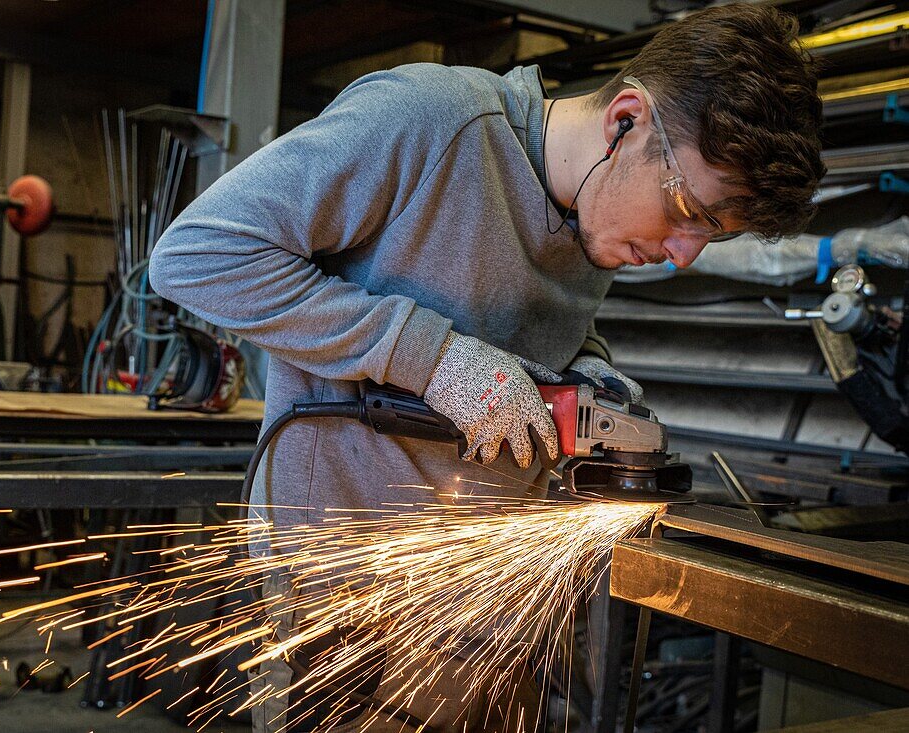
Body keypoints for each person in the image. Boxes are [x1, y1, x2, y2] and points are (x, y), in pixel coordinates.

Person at [150, 4, 824, 730]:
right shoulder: (430, 120)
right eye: (687, 206)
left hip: (489, 594)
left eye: (712, 232)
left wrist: (589, 374)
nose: (684, 251)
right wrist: (434, 358)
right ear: (625, 120)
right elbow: (196, 256)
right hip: (346, 593)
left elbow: (529, 329)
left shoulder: (596, 214)